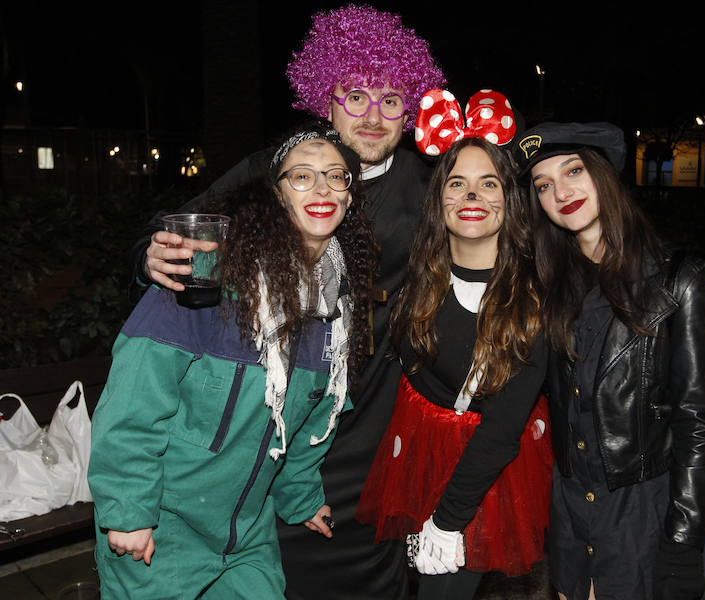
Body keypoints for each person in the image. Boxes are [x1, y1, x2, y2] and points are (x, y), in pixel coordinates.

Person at [127, 5, 446, 598]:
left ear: (412, 107)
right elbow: (178, 233)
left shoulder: (432, 187)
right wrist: (150, 254)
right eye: (355, 95)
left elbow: (503, 239)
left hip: (373, 413)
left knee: (368, 566)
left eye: (391, 98)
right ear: (326, 99)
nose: (372, 116)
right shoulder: (281, 168)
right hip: (278, 405)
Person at [88, 121, 378, 598]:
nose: (322, 186)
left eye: (336, 176)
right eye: (302, 175)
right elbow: (131, 402)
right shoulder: (204, 280)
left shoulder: (336, 311)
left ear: (350, 199)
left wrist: (302, 498)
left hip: (247, 536)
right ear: (275, 195)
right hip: (161, 528)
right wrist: (127, 510)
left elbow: (310, 422)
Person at [355, 90, 554, 600]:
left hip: (484, 472)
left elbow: (504, 427)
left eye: (488, 184)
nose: (471, 197)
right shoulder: (419, 276)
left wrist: (446, 524)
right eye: (457, 183)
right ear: (438, 198)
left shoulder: (533, 301)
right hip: (413, 452)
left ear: (509, 199)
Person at [515, 122, 705, 600]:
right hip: (570, 503)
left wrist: (683, 539)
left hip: (644, 508)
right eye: (543, 185)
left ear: (605, 175)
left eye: (573, 171)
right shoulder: (552, 285)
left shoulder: (680, 281)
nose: (559, 191)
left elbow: (698, 423)